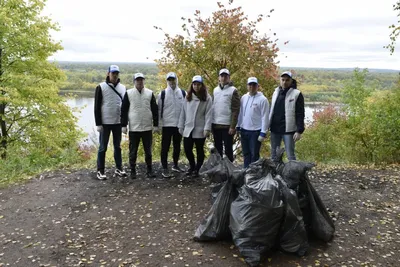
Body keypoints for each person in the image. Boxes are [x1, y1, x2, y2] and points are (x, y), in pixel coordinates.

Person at [121, 73, 158, 179]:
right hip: (134, 127)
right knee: (133, 151)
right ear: (134, 81)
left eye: (141, 80)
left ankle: (149, 170)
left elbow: (155, 110)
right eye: (137, 80)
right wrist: (123, 125)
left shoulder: (150, 93)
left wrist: (155, 125)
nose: (140, 82)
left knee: (148, 151)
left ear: (144, 81)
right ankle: (133, 170)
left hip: (147, 127)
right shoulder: (128, 93)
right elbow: (124, 110)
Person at [94, 65, 127, 180]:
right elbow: (97, 106)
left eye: (116, 73)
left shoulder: (123, 88)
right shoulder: (101, 87)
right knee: (103, 147)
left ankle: (119, 168)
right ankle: (100, 170)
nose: (115, 75)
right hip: (105, 123)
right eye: (113, 73)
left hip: (117, 122)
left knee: (117, 146)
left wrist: (124, 123)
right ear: (108, 73)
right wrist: (98, 123)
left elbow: (125, 107)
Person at [178, 75, 213, 178]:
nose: (196, 86)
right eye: (194, 84)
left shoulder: (207, 98)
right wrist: (180, 125)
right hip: (188, 127)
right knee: (187, 149)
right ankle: (192, 166)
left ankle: (197, 169)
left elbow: (209, 114)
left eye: (198, 84)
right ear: (192, 85)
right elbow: (183, 112)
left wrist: (207, 128)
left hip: (200, 128)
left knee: (199, 149)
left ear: (202, 85)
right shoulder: (188, 97)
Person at [268, 71, 305, 161]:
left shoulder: (296, 94)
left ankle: (292, 174)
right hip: (274, 129)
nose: (284, 82)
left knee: (290, 155)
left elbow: (300, 113)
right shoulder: (276, 92)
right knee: (274, 155)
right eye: (283, 80)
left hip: (288, 130)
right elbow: (271, 110)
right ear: (280, 80)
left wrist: (299, 130)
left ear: (291, 81)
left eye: (287, 80)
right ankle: (275, 174)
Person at [237, 77, 270, 168]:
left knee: (254, 154)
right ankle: (246, 171)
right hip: (244, 130)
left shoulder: (263, 100)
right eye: (250, 85)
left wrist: (263, 132)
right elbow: (241, 113)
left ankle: (254, 174)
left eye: (254, 85)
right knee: (246, 153)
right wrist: (238, 126)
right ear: (247, 86)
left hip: (255, 132)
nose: (252, 87)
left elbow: (265, 117)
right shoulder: (244, 97)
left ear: (257, 86)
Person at [158, 72, 186, 178]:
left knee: (177, 146)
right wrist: (159, 125)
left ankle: (175, 165)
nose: (171, 82)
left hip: (178, 125)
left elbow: (185, 110)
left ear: (176, 80)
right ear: (167, 81)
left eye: (173, 79)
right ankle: (165, 168)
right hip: (166, 125)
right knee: (165, 147)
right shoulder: (163, 94)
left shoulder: (183, 93)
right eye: (169, 80)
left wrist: (184, 124)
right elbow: (159, 110)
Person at [211, 68, 240, 162]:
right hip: (216, 124)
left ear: (229, 78)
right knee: (218, 150)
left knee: (228, 150)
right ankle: (219, 170)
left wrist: (233, 126)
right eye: (222, 76)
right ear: (219, 78)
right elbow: (213, 107)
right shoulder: (215, 90)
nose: (223, 78)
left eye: (226, 76)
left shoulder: (233, 91)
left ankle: (229, 171)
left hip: (227, 126)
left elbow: (235, 110)